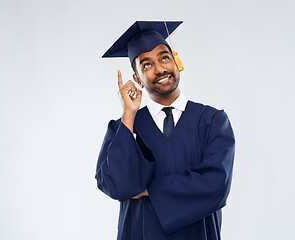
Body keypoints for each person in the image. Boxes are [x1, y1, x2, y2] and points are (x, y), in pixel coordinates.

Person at [95, 21, 235, 240]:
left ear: (176, 61)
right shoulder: (124, 127)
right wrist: (129, 115)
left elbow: (217, 185)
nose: (160, 69)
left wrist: (149, 191)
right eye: (146, 65)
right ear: (137, 79)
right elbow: (115, 186)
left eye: (164, 58)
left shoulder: (213, 121)